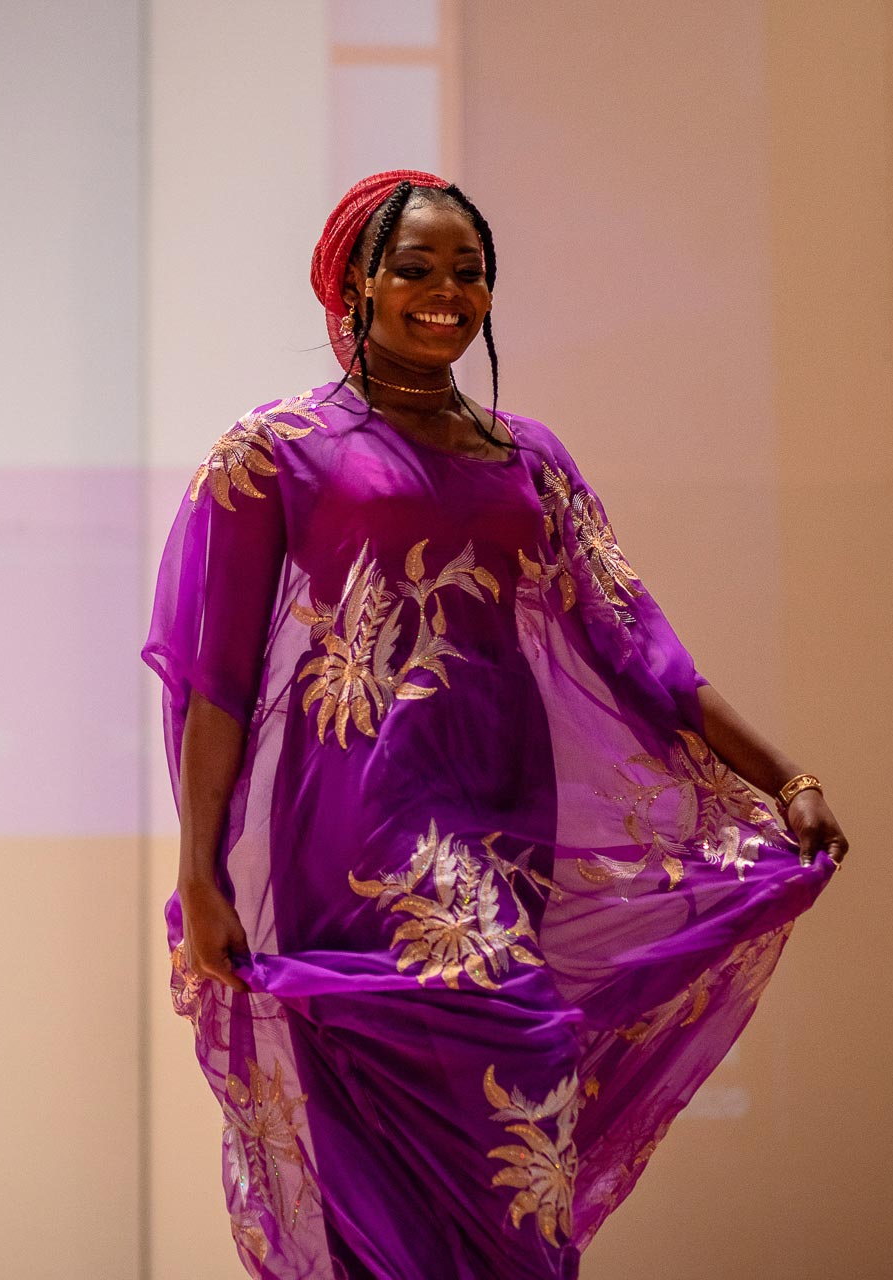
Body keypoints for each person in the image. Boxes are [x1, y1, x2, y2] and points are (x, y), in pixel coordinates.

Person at [144, 169, 849, 1280]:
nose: (445, 291)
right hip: (363, 812)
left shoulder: (531, 454)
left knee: (497, 1114)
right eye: (415, 267)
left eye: (468, 271)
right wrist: (200, 871)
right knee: (508, 1035)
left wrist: (784, 776)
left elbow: (640, 645)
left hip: (510, 798)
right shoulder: (276, 448)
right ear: (356, 285)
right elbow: (216, 680)